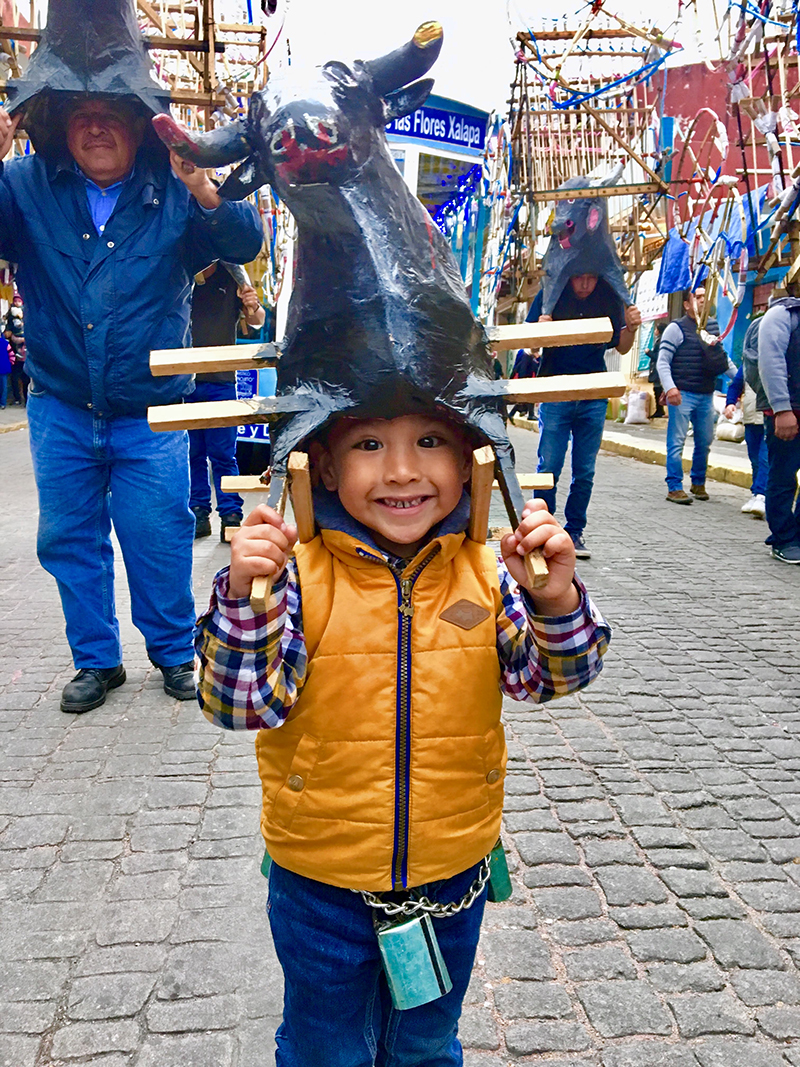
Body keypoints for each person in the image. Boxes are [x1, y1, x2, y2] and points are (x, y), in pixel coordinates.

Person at [195, 410, 610, 1065]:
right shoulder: (296, 576)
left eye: (429, 441)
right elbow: (235, 702)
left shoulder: (486, 571)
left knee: (423, 1043)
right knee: (324, 1045)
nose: (401, 469)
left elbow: (546, 678)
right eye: (369, 443)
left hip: (449, 881)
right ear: (324, 463)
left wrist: (555, 603)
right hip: (320, 885)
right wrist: (246, 598)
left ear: (471, 456)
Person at [0, 97, 263, 713]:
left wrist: (199, 179)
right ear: (60, 127)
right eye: (79, 113)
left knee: (160, 534)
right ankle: (95, 660)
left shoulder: (170, 186)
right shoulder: (24, 184)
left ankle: (173, 653)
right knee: (68, 538)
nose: (94, 126)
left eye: (110, 114)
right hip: (60, 404)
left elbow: (244, 239)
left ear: (139, 129)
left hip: (150, 411)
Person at [527, 272, 642, 559]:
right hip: (555, 392)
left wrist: (632, 327)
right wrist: (540, 330)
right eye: (580, 278)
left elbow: (622, 346)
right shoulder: (551, 292)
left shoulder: (607, 295)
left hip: (593, 395)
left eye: (592, 278)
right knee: (549, 466)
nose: (586, 284)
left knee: (585, 470)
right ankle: (541, 528)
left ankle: (574, 531)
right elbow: (530, 348)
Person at [189, 261, 266, 541]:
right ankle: (198, 512)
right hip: (184, 380)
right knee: (192, 453)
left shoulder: (233, 274)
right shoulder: (181, 274)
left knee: (222, 454)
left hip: (221, 381)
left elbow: (257, 321)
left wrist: (252, 305)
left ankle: (230, 515)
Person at [656, 287, 736, 505]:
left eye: (705, 297)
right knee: (677, 442)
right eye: (697, 297)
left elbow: (722, 361)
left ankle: (698, 482)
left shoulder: (712, 327)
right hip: (682, 395)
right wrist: (670, 388)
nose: (702, 301)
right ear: (686, 304)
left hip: (705, 395)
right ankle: (674, 487)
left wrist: (740, 381)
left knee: (705, 441)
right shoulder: (676, 328)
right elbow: (662, 361)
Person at [756, 288, 800, 563]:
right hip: (789, 412)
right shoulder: (782, 315)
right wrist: (782, 409)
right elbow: (771, 363)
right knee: (783, 477)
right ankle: (783, 538)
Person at [724, 317, 767, 519]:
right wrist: (730, 403)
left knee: (765, 456)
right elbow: (736, 383)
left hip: (770, 413)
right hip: (751, 414)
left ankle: (762, 495)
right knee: (754, 457)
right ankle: (755, 492)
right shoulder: (748, 362)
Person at [646, 320, 667, 418]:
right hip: (657, 369)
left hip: (659, 370)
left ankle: (660, 410)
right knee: (656, 389)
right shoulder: (659, 340)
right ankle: (659, 409)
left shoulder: (661, 341)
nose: (654, 331)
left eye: (656, 329)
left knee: (658, 389)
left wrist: (649, 352)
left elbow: (658, 357)